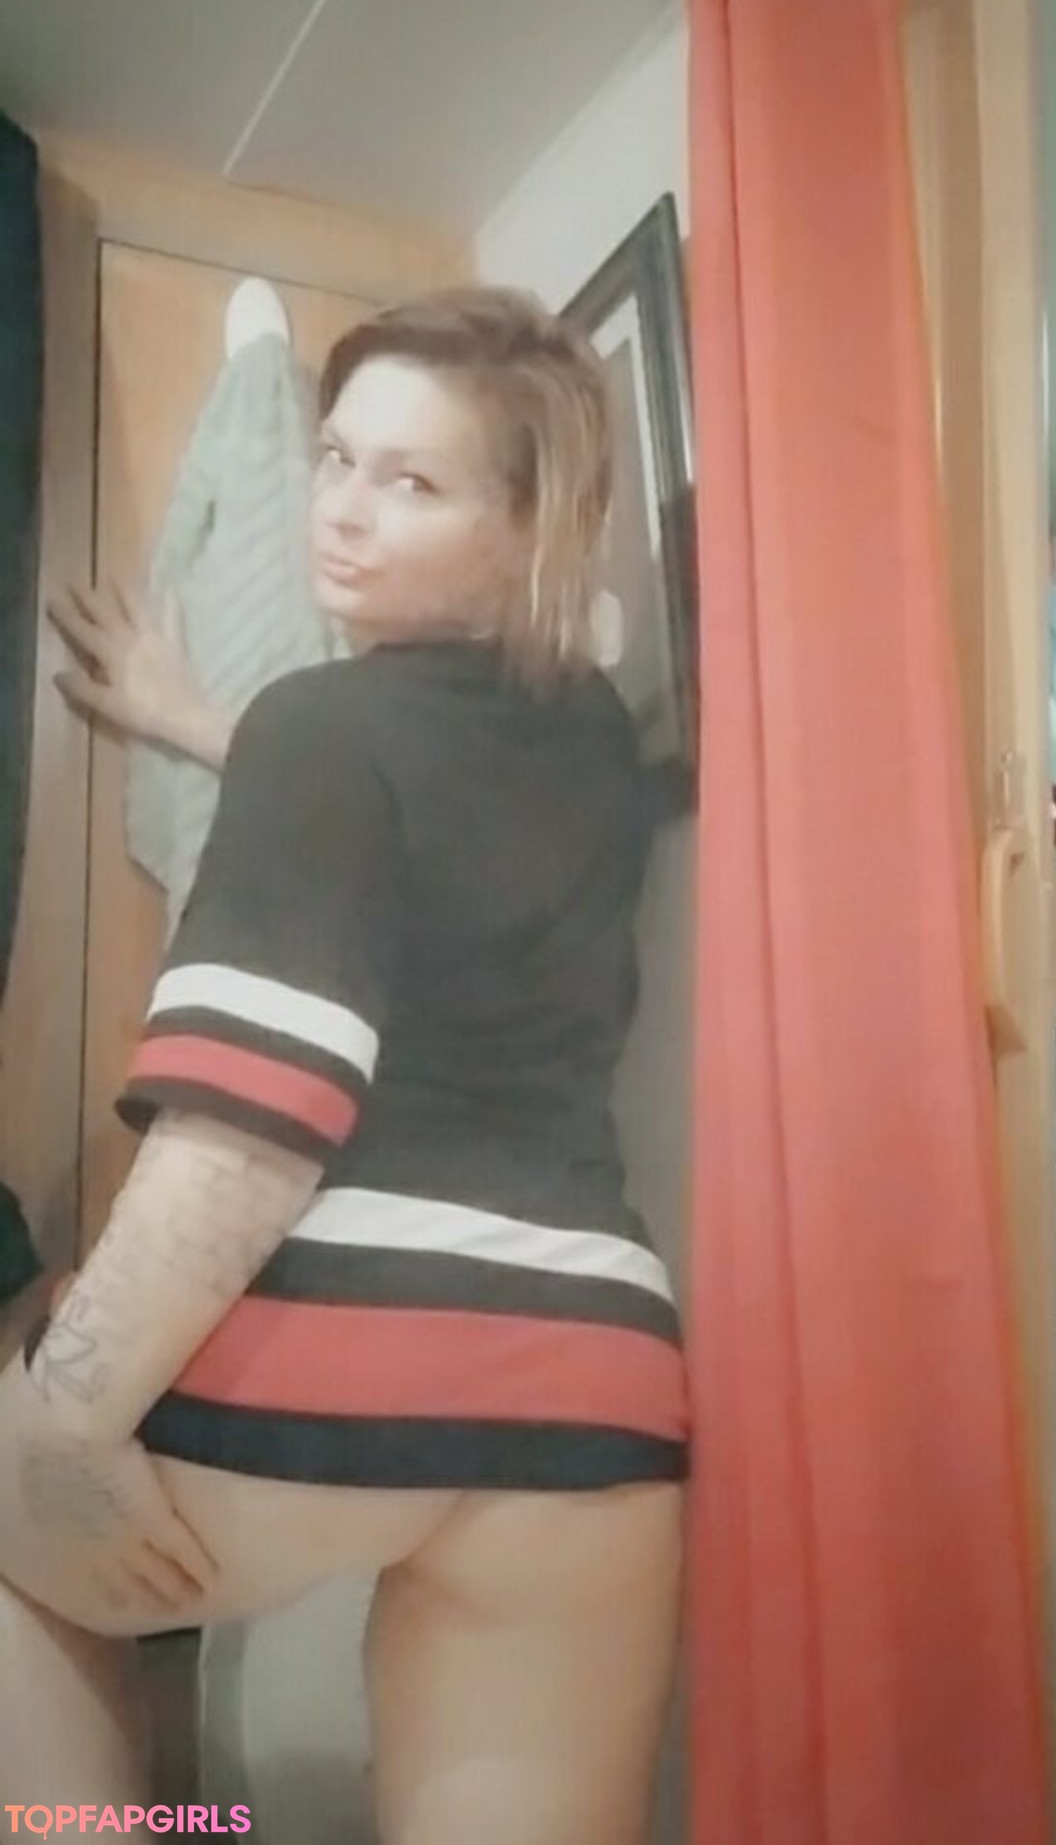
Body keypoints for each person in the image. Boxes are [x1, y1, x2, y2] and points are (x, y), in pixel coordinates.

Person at [0, 288, 689, 1844]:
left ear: (524, 531)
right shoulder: (592, 736)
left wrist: (57, 1417)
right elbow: (418, 807)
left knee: (12, 1536)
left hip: (354, 1346)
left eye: (412, 481)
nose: (342, 510)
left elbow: (248, 1128)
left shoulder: (322, 727)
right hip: (597, 1388)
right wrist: (210, 723)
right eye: (336, 456)